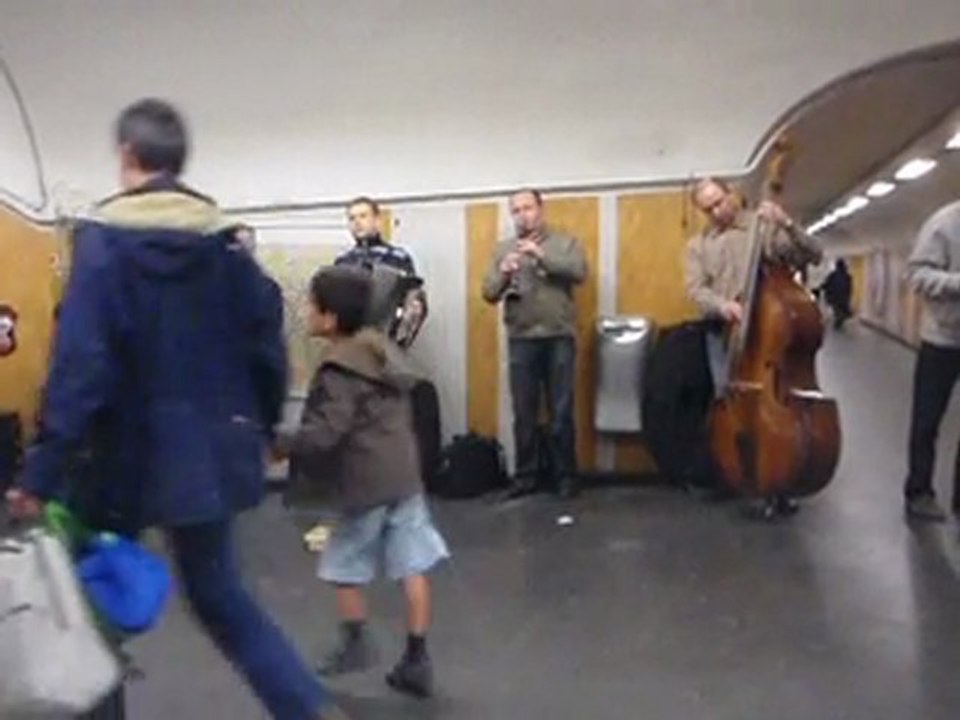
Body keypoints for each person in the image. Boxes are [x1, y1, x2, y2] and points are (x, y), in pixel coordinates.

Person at [4, 98, 346, 720]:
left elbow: (82, 363)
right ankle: (309, 712)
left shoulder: (104, 243)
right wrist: (264, 425)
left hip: (119, 459)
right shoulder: (228, 247)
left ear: (127, 156)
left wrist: (42, 472)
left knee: (90, 603)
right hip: (210, 457)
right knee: (221, 597)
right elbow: (266, 345)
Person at [278, 265, 448, 698]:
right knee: (412, 564)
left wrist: (279, 446)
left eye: (312, 304)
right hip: (403, 475)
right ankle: (418, 657)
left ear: (330, 317)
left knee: (343, 564)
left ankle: (354, 642)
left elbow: (327, 432)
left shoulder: (339, 367)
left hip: (365, 482)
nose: (306, 310)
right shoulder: (380, 349)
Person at [685, 177, 822, 518]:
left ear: (731, 193)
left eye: (720, 201)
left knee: (774, 405)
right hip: (725, 335)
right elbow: (696, 290)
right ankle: (740, 474)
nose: (718, 211)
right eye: (709, 208)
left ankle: (781, 478)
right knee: (729, 405)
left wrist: (786, 223)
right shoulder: (699, 246)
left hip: (766, 333)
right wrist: (723, 306)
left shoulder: (763, 227)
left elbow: (813, 254)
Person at [482, 188, 587, 500]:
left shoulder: (565, 242)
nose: (522, 215)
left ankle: (566, 477)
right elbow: (488, 293)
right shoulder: (503, 249)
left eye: (527, 208)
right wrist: (503, 273)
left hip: (559, 335)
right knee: (523, 412)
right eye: (516, 210)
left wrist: (542, 256)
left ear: (541, 209)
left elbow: (580, 272)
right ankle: (525, 477)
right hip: (521, 337)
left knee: (562, 410)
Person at [902, 199, 960, 522]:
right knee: (927, 421)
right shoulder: (944, 223)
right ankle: (919, 492)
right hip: (942, 339)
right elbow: (917, 274)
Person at [335, 196, 427, 348]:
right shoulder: (343, 261)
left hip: (388, 339)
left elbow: (413, 299)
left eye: (363, 216)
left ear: (377, 221)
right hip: (351, 341)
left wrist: (402, 335)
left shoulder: (398, 256)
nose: (357, 222)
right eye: (352, 218)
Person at [821, 258, 854, 329]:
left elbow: (827, 284)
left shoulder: (832, 275)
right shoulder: (847, 276)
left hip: (834, 297)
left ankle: (839, 319)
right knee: (841, 309)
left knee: (837, 308)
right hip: (843, 297)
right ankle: (839, 319)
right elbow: (849, 287)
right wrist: (849, 296)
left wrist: (822, 287)